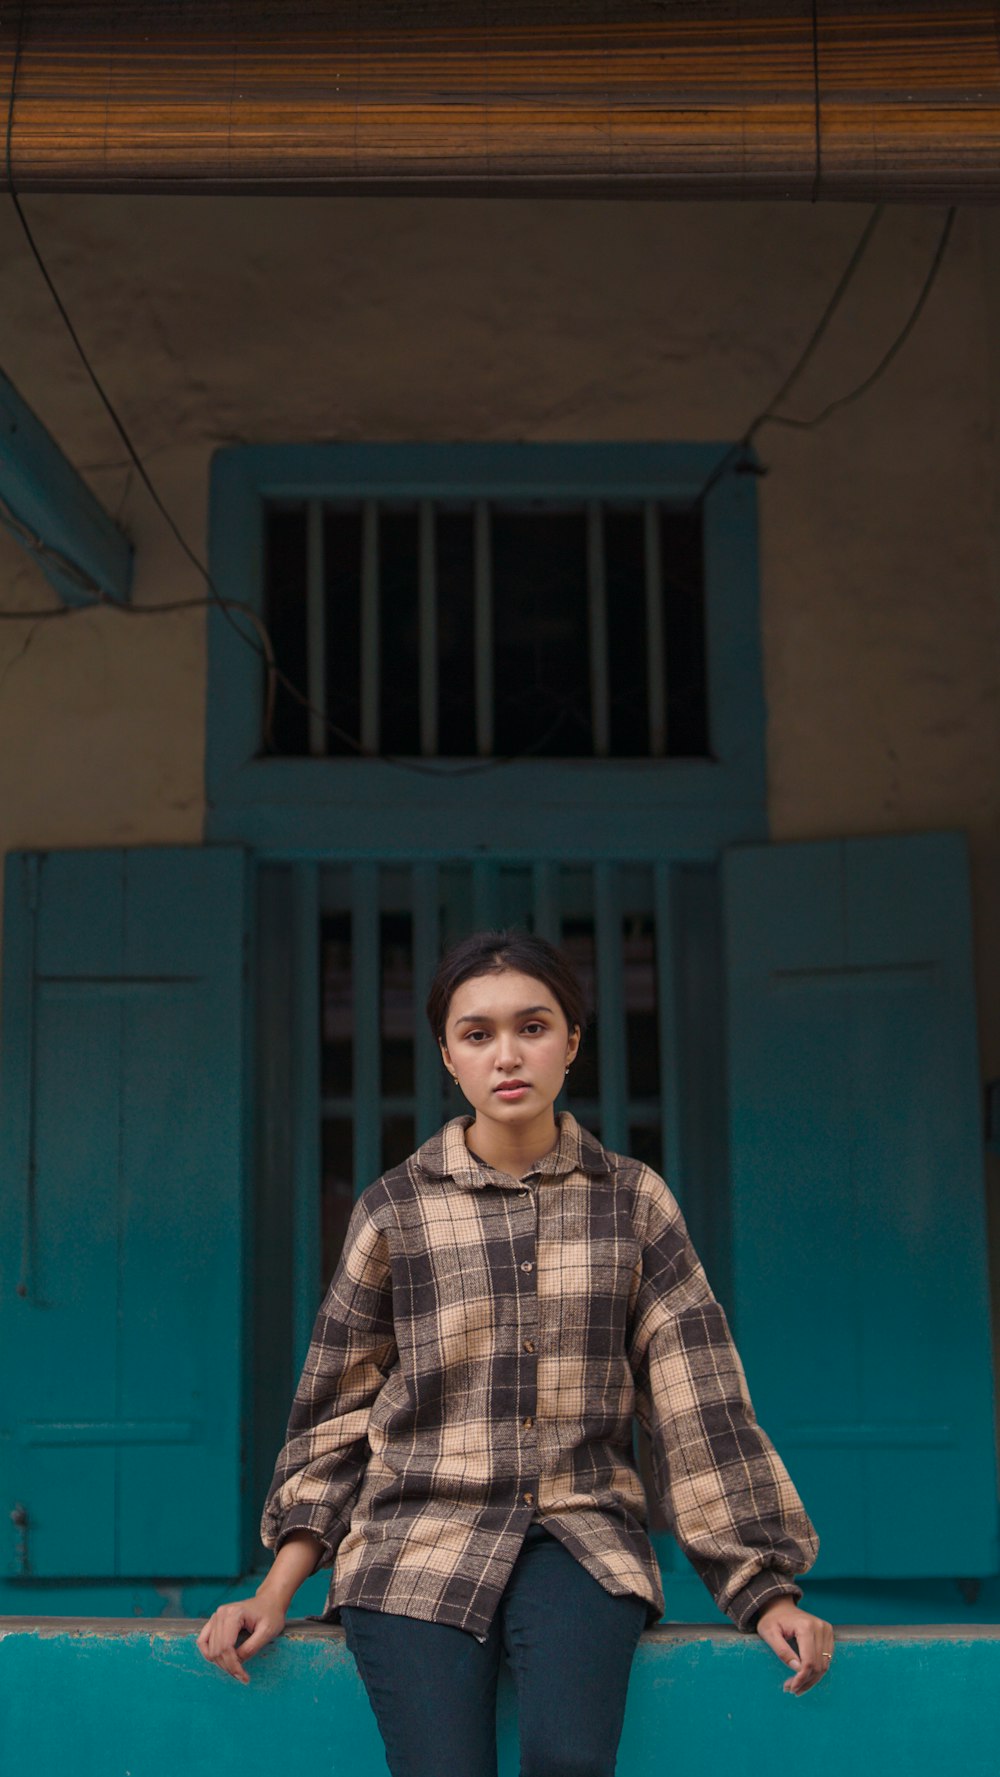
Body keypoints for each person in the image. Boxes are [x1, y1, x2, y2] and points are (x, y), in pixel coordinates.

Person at [197, 928, 834, 1773]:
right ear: (448, 1057)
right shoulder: (396, 1210)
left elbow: (698, 1401)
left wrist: (765, 1591)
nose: (507, 1054)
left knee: (570, 1757)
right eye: (477, 1033)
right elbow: (336, 1410)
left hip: (581, 1533)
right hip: (413, 1538)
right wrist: (277, 1588)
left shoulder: (634, 1203)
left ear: (571, 1041)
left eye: (532, 1027)